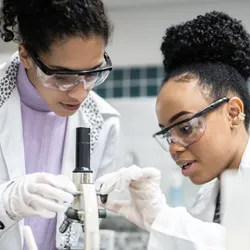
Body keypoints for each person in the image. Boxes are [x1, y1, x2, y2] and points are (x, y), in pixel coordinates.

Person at [95, 11, 250, 250]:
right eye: (168, 134)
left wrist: (161, 218)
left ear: (232, 113)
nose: (174, 148)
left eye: (186, 127)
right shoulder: (211, 195)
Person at [0, 0, 120, 249]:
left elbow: (86, 226)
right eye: (62, 77)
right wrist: (6, 204)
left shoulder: (103, 122)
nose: (79, 94)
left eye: (91, 74)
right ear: (26, 56)